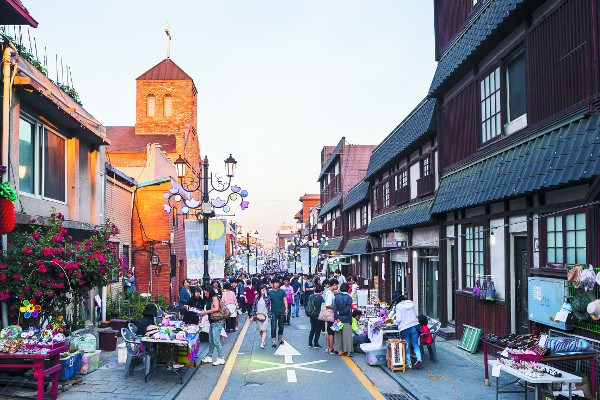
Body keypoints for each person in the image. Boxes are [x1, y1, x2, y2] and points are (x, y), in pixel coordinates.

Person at [392, 292, 422, 369]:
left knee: (407, 345)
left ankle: (408, 363)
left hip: (405, 327)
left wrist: (394, 322)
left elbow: (398, 319)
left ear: (396, 300)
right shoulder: (410, 303)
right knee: (415, 344)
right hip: (414, 325)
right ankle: (419, 358)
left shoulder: (398, 306)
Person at [200, 287, 226, 366]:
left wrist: (206, 312)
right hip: (212, 322)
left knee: (216, 341)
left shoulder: (214, 298)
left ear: (209, 292)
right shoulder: (210, 299)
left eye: (206, 293)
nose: (205, 295)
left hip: (217, 323)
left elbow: (217, 308)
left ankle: (221, 358)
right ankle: (209, 356)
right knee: (211, 341)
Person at [333, 282, 353, 356]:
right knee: (347, 335)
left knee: (338, 335)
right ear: (348, 289)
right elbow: (348, 309)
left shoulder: (337, 297)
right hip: (347, 318)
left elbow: (334, 309)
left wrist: (337, 317)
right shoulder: (349, 298)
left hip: (338, 319)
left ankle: (339, 351)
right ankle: (348, 351)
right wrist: (342, 313)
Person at [268, 278, 288, 347]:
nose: (277, 284)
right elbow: (266, 301)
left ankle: (280, 339)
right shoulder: (269, 292)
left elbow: (285, 300)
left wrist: (286, 309)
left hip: (281, 311)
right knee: (273, 326)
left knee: (281, 326)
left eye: (278, 283)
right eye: (275, 283)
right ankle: (274, 341)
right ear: (272, 284)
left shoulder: (282, 291)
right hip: (273, 311)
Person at [251, 285, 271, 349]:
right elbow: (254, 307)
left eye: (264, 290)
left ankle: (262, 343)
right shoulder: (257, 298)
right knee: (260, 330)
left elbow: (268, 302)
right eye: (262, 290)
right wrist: (252, 316)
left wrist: (265, 295)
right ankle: (263, 338)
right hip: (258, 315)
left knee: (264, 329)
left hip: (266, 315)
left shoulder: (267, 297)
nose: (263, 291)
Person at [324, 278, 338, 354]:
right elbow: (328, 305)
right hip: (330, 314)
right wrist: (335, 307)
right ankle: (331, 348)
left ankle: (328, 347)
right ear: (334, 284)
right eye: (337, 285)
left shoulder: (328, 292)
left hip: (327, 314)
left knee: (328, 331)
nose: (337, 287)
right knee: (331, 331)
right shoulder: (330, 294)